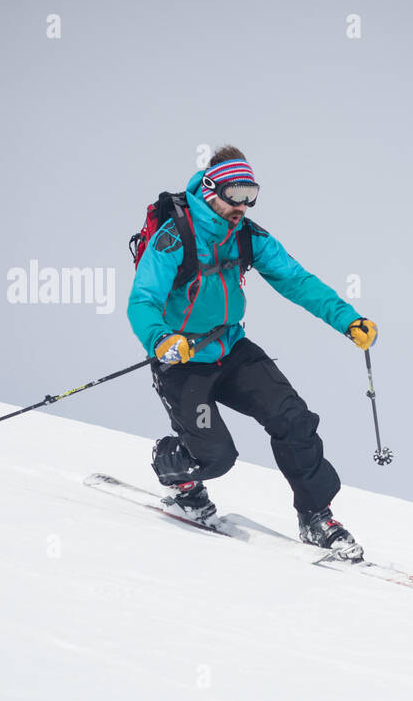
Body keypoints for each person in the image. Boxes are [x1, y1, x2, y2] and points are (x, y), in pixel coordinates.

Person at [126, 146, 377, 560]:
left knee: (293, 418)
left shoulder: (247, 235)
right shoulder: (174, 236)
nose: (243, 204)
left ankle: (316, 516)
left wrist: (347, 320)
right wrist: (160, 340)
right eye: (236, 192)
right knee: (217, 456)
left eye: (252, 193)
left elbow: (295, 280)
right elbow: (143, 299)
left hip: (231, 349)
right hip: (182, 359)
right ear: (210, 190)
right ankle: (178, 471)